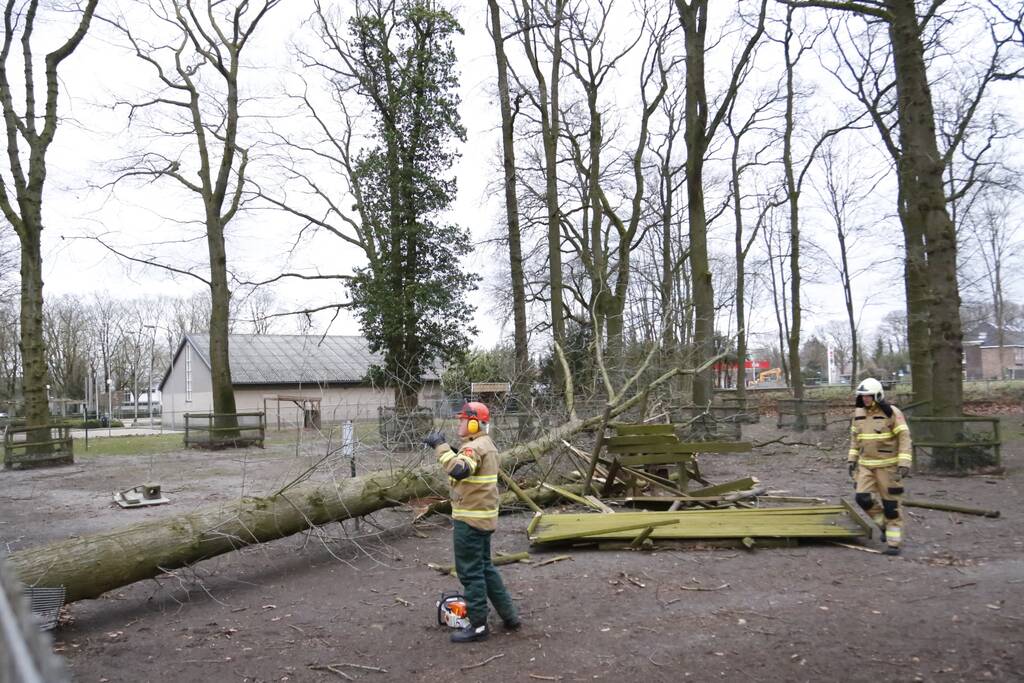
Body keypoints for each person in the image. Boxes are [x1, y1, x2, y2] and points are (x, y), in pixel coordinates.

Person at [424, 401, 520, 642]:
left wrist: (440, 447)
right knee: (485, 568)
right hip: (483, 518)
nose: (460, 422)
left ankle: (478, 626)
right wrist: (450, 448)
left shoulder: (474, 448)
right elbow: (468, 462)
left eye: (463, 419)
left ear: (476, 422)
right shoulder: (484, 444)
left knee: (470, 573)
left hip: (470, 520)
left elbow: (459, 470)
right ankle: (510, 616)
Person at [847, 378, 913, 555]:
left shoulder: (892, 412)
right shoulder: (858, 413)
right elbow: (855, 439)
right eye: (862, 396)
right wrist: (851, 460)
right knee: (862, 498)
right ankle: (883, 524)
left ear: (877, 395)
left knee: (891, 506)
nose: (865, 399)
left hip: (888, 468)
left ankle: (894, 542)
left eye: (868, 396)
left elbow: (904, 438)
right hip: (865, 466)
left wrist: (904, 462)